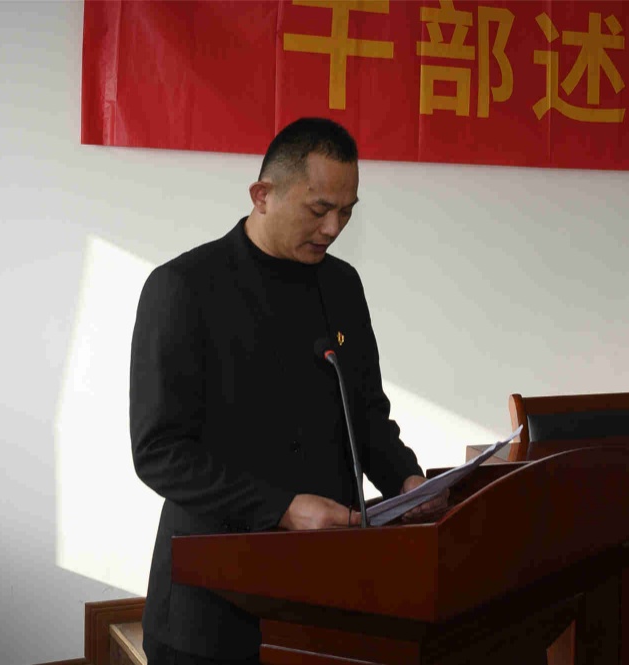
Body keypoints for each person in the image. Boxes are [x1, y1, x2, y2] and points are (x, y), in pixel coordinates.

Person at [130, 117, 446, 665]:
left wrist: (407, 481)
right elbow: (159, 451)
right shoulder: (183, 287)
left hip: (327, 594)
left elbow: (365, 414)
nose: (332, 228)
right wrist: (280, 509)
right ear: (263, 195)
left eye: (346, 212)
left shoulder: (342, 285)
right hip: (214, 601)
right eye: (318, 209)